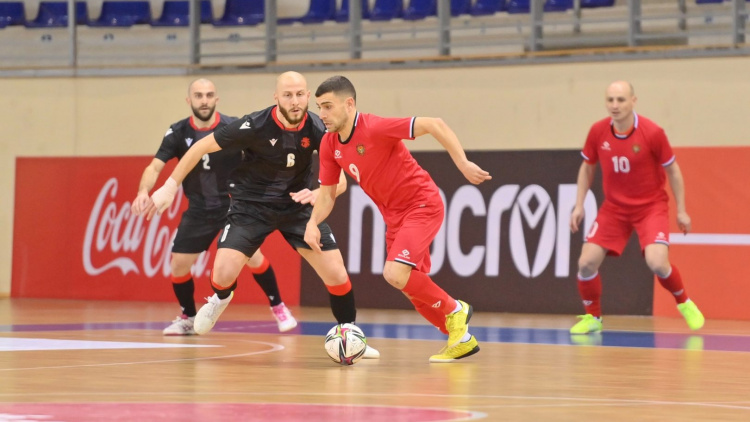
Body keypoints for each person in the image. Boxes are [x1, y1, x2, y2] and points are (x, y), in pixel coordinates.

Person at [144, 72, 379, 359]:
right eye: (288, 95)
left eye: (300, 94)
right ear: (276, 98)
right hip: (250, 206)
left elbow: (339, 179)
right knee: (222, 274)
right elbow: (200, 147)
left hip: (297, 206)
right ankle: (220, 298)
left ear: (308, 96)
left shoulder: (319, 128)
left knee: (336, 273)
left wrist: (321, 193)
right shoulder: (253, 125)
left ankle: (350, 335)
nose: (295, 101)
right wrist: (170, 187)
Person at [306, 75, 492, 363]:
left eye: (328, 106)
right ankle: (461, 338)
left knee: (394, 273)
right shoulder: (330, 145)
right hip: (394, 217)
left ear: (349, 104)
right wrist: (311, 223)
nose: (322, 114)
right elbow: (328, 196)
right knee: (409, 287)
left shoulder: (375, 127)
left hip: (422, 204)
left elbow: (435, 124)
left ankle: (456, 310)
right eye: (319, 107)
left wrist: (463, 163)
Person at [131, 78, 297, 336]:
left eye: (209, 95)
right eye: (198, 95)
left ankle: (278, 305)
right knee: (178, 265)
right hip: (198, 209)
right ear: (189, 101)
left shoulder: (234, 126)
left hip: (233, 206)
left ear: (217, 99)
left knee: (254, 258)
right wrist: (144, 191)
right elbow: (154, 166)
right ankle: (188, 316)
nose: (204, 100)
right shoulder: (178, 132)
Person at [568, 80, 705, 334]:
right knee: (586, 263)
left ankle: (684, 302)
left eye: (620, 100)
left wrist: (682, 210)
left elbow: (673, 171)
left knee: (657, 262)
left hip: (650, 207)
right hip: (614, 209)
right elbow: (587, 167)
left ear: (633, 101)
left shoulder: (652, 133)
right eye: (610, 100)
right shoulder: (598, 131)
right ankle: (592, 318)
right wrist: (579, 205)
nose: (615, 105)